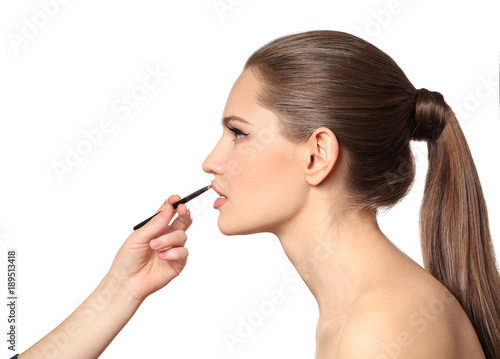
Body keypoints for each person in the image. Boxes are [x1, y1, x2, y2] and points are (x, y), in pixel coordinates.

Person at [14, 30, 499, 358]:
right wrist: (120, 289)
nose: (211, 161)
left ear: (316, 156)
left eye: (239, 133)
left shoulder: (383, 325)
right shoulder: (360, 314)